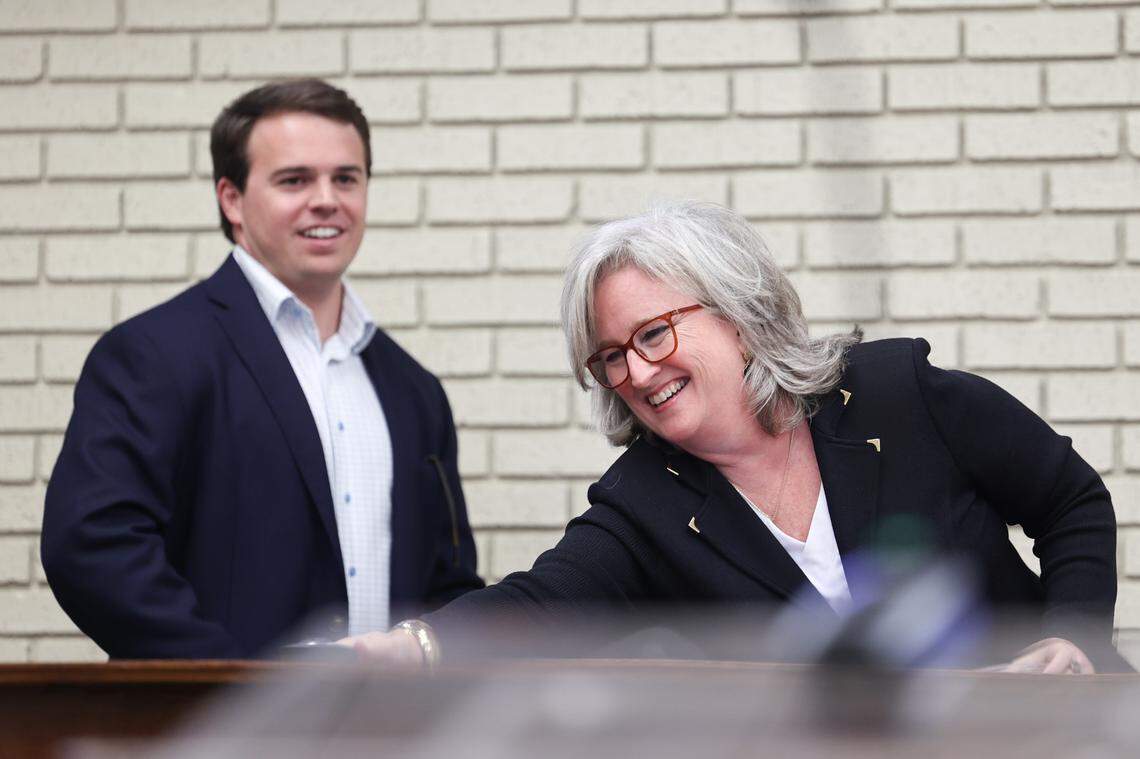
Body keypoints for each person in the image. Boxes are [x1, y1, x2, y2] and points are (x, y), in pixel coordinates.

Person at [348, 201, 1120, 675]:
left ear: (737, 313)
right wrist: (415, 645)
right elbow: (542, 599)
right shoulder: (645, 501)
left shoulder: (896, 394)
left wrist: (1072, 637)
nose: (637, 372)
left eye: (652, 333)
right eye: (610, 355)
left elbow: (1070, 499)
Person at [41, 79, 483, 659]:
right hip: (213, 736)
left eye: (346, 178)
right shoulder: (153, 355)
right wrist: (229, 685)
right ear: (231, 198)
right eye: (294, 179)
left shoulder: (413, 389)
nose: (327, 199)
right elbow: (94, 548)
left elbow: (446, 582)